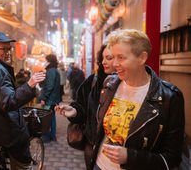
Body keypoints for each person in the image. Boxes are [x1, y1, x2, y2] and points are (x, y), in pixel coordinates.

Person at [56, 29, 185, 170]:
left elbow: (171, 158)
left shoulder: (169, 97)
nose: (115, 64)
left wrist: (130, 157)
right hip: (99, 164)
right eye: (114, 57)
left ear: (142, 58)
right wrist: (75, 112)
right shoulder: (110, 83)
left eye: (121, 58)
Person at [0, 32, 45, 170]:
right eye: (3, 49)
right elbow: (8, 102)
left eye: (9, 49)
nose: (8, 53)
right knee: (23, 164)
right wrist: (29, 85)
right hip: (6, 132)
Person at [40, 54, 60, 142]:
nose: (45, 62)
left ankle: (48, 136)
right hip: (53, 99)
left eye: (46, 60)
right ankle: (52, 135)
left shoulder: (51, 71)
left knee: (47, 117)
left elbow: (50, 86)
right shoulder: (54, 70)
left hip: (50, 100)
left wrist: (44, 98)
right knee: (51, 117)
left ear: (49, 61)